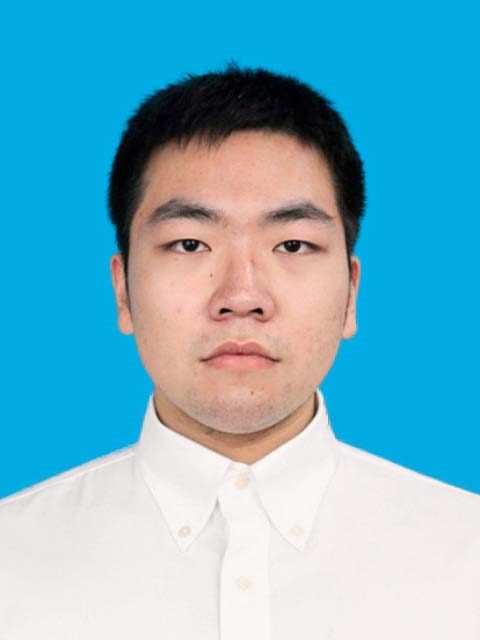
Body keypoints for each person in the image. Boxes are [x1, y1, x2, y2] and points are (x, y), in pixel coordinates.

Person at [0, 65, 478, 639]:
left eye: (292, 244)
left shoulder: (465, 557)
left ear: (352, 292)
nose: (242, 296)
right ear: (123, 290)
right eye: (189, 243)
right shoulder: (13, 562)